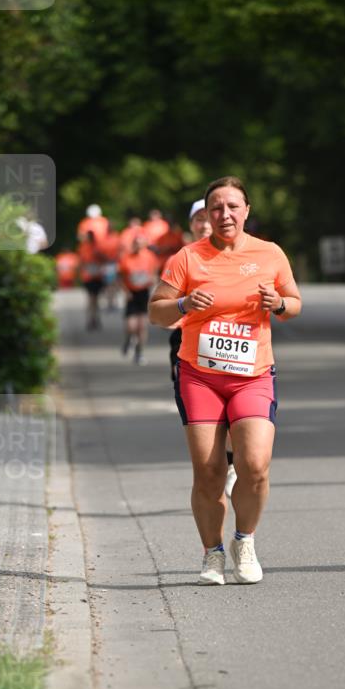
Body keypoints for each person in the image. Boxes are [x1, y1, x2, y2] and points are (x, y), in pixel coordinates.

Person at [149, 176, 302, 585]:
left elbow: (295, 304)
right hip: (199, 377)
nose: (225, 214)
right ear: (207, 214)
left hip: (252, 375)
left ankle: (244, 541)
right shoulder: (187, 257)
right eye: (217, 208)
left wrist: (280, 303)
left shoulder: (269, 254)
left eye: (233, 206)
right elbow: (157, 311)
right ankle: (212, 554)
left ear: (247, 210)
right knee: (209, 471)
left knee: (254, 466)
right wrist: (182, 303)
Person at [168, 199, 238, 497]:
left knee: (236, 410)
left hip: (233, 343)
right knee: (208, 417)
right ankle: (218, 465)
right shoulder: (182, 259)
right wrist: (178, 308)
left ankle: (231, 463)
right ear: (191, 224)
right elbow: (164, 306)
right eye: (197, 219)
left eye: (207, 217)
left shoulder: (239, 255)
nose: (204, 223)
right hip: (187, 346)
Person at [118, 232, 160, 364]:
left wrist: (154, 286)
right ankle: (128, 340)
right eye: (136, 242)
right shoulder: (126, 258)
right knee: (131, 326)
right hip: (131, 293)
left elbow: (155, 274)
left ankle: (139, 352)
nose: (138, 245)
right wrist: (126, 291)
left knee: (142, 326)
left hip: (144, 293)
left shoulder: (150, 257)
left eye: (141, 242)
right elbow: (120, 277)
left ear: (145, 244)